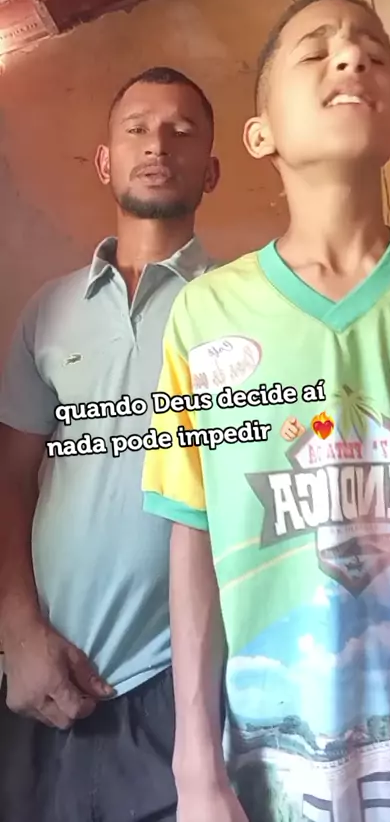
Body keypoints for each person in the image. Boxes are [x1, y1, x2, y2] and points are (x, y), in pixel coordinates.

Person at [141, 0, 390, 822]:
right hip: (279, 778)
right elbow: (193, 536)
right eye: (317, 50)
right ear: (261, 135)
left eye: (373, 51)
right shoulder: (205, 314)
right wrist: (194, 763)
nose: (352, 57)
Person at [0, 66, 219, 822]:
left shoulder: (240, 307)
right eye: (137, 129)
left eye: (182, 131)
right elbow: (11, 479)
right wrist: (17, 632)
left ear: (212, 170)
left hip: (184, 685)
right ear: (104, 161)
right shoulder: (47, 312)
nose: (158, 145)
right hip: (43, 676)